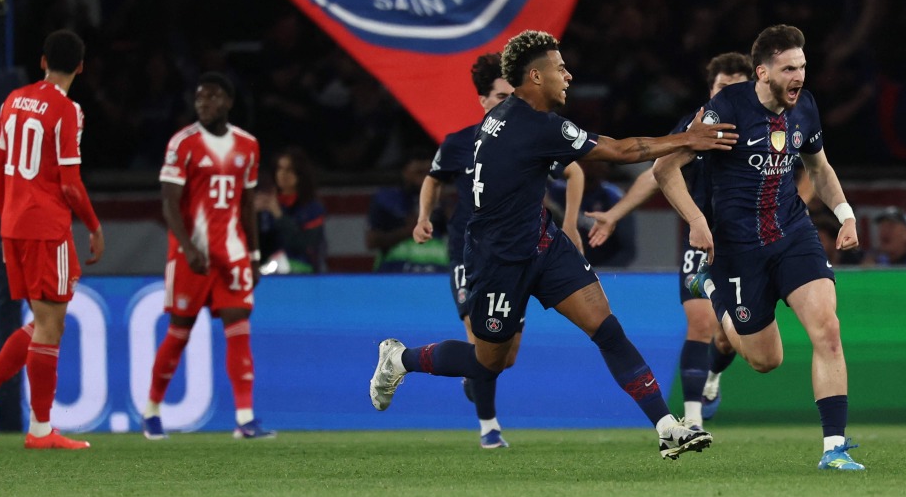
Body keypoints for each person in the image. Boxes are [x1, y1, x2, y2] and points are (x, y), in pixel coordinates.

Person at [370, 30, 737, 460]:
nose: (568, 74)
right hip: (498, 262)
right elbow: (619, 151)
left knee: (607, 329)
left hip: (543, 244)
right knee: (488, 362)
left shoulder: (514, 116)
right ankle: (401, 358)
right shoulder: (533, 126)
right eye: (559, 67)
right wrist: (685, 140)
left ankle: (665, 426)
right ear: (535, 76)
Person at [651, 24, 866, 471]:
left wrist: (845, 214)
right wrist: (695, 221)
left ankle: (834, 447)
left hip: (793, 233)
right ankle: (710, 288)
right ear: (762, 72)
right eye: (790, 68)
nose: (800, 77)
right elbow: (664, 167)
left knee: (827, 327)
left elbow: (819, 167)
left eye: (803, 67)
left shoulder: (804, 107)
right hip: (738, 251)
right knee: (766, 360)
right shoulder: (724, 111)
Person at [413, 52, 585, 449]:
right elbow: (432, 178)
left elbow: (574, 170)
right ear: (483, 101)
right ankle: (489, 426)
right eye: (501, 95)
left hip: (518, 252)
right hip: (469, 253)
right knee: (479, 341)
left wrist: (571, 223)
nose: (510, 102)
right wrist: (425, 216)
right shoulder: (460, 143)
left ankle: (469, 373)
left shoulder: (529, 137)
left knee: (502, 357)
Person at [0, 29, 105, 450]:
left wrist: (7, 219)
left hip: (13, 224)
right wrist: (93, 226)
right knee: (51, 324)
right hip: (46, 227)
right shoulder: (68, 111)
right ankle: (39, 429)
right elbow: (71, 184)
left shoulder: (12, 101)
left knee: (42, 323)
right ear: (80, 67)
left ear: (42, 62)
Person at [585, 52, 753, 430]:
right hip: (704, 236)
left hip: (750, 240)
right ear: (711, 90)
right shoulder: (701, 124)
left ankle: (713, 377)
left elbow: (805, 166)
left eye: (737, 87)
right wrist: (615, 213)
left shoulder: (765, 123)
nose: (729, 94)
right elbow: (656, 172)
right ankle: (693, 419)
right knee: (699, 322)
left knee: (729, 337)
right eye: (722, 87)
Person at [142, 73, 274, 440]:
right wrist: (186, 247)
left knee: (239, 329)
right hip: (191, 255)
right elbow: (169, 202)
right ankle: (151, 410)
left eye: (213, 97)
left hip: (231, 254)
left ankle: (245, 418)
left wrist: (253, 253)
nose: (205, 103)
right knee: (179, 332)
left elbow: (247, 204)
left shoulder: (247, 145)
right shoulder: (182, 144)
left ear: (228, 102)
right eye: (200, 98)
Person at [366, 150, 450, 272]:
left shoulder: (443, 201)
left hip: (437, 270)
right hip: (396, 269)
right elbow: (371, 241)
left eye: (430, 173)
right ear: (406, 173)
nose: (425, 179)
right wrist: (408, 230)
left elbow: (463, 235)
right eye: (419, 173)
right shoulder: (387, 200)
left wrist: (444, 202)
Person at [255, 147, 327, 273]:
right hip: (267, 270)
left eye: (289, 170)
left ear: (299, 174)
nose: (283, 174)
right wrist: (253, 214)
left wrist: (278, 214)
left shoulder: (312, 208)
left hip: (302, 271)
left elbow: (304, 245)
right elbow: (259, 245)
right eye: (280, 169)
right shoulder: (266, 204)